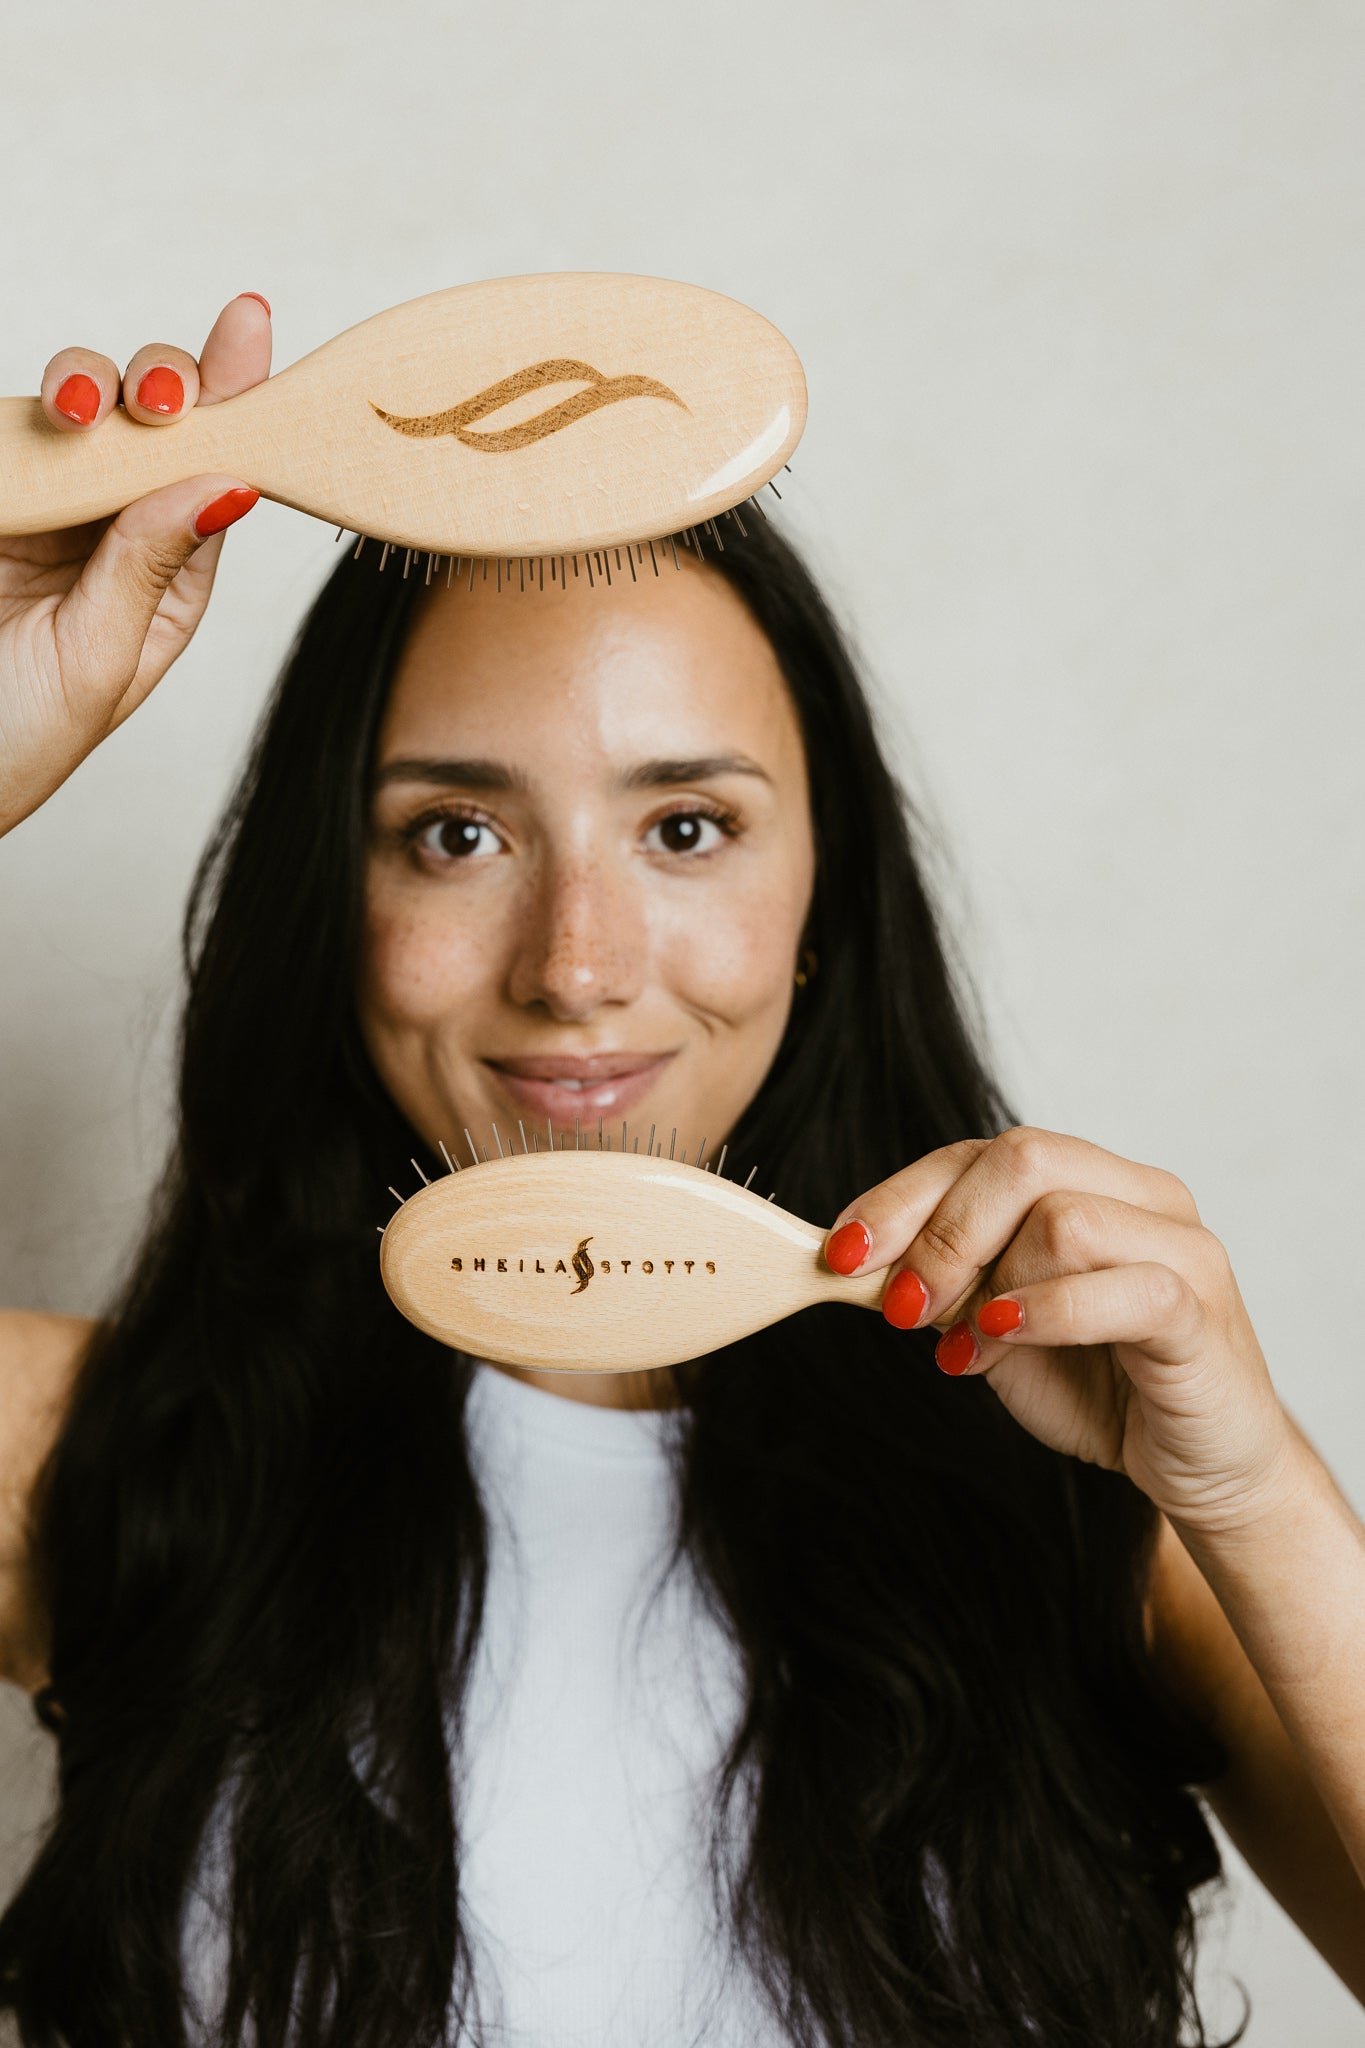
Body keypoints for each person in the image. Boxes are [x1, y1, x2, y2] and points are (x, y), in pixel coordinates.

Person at [0, 293, 1362, 2048]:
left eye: (686, 827)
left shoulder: (1099, 1511)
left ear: (821, 911)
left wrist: (1247, 1489)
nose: (576, 964)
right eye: (458, 832)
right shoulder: (95, 1451)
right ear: (332, 908)